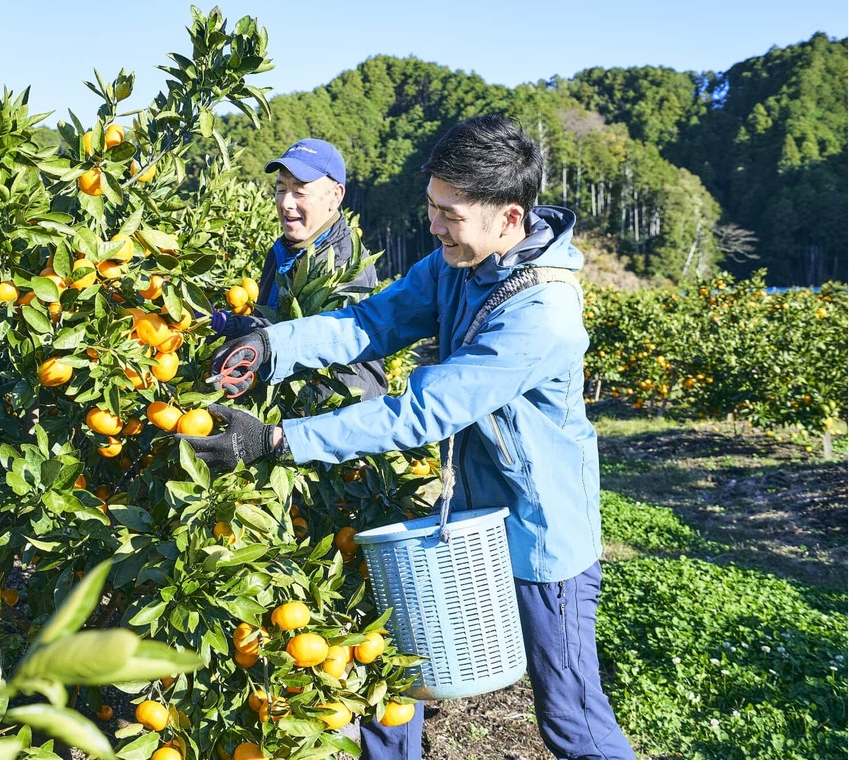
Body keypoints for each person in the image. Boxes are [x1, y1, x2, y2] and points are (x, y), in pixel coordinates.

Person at [181, 115, 636, 760]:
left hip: (544, 533)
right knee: (413, 667)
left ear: (509, 218)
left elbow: (421, 412)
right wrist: (271, 344)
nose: (433, 225)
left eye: (449, 214)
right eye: (432, 207)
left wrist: (279, 439)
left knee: (570, 715)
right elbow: (371, 321)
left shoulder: (542, 315)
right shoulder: (456, 262)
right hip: (481, 515)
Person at [211, 137, 386, 401]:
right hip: (290, 405)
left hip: (339, 407)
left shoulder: (342, 260)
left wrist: (239, 330)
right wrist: (227, 330)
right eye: (281, 189)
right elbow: (274, 323)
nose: (286, 203)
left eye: (300, 191)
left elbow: (316, 340)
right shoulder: (283, 249)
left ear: (335, 196)